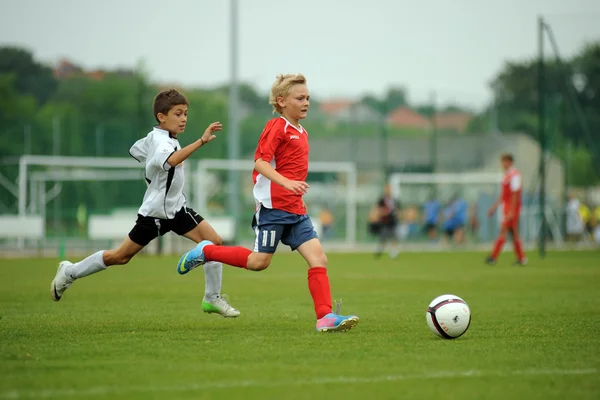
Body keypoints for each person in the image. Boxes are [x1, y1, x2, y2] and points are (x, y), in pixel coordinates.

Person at [176, 74, 359, 333]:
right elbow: (260, 162)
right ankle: (206, 252)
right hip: (273, 209)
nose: (306, 102)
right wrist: (285, 183)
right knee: (258, 262)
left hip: (296, 210)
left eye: (307, 97)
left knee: (319, 258)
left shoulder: (302, 131)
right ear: (282, 101)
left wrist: (292, 189)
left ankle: (325, 317)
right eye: (300, 98)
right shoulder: (277, 126)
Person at [50, 89, 239, 317]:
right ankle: (69, 271)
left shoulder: (157, 137)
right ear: (161, 116)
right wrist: (201, 141)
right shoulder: (161, 142)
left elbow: (135, 150)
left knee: (214, 242)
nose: (184, 119)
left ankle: (212, 298)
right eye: (178, 114)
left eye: (185, 114)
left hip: (177, 209)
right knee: (120, 256)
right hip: (155, 214)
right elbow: (170, 160)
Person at [486, 153, 527, 266]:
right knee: (513, 234)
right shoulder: (507, 176)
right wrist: (494, 208)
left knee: (503, 231)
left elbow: (515, 194)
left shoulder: (514, 175)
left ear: (510, 162)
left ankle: (493, 257)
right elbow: (504, 195)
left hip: (512, 209)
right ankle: (522, 259)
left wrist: (512, 211)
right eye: (502, 162)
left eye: (505, 161)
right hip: (507, 208)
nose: (503, 164)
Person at [375, 184, 401, 258]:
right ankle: (379, 250)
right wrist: (385, 212)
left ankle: (393, 253)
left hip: (393, 221)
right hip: (384, 221)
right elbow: (379, 210)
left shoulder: (394, 200)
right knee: (383, 237)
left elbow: (398, 210)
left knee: (394, 237)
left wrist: (397, 214)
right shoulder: (382, 200)